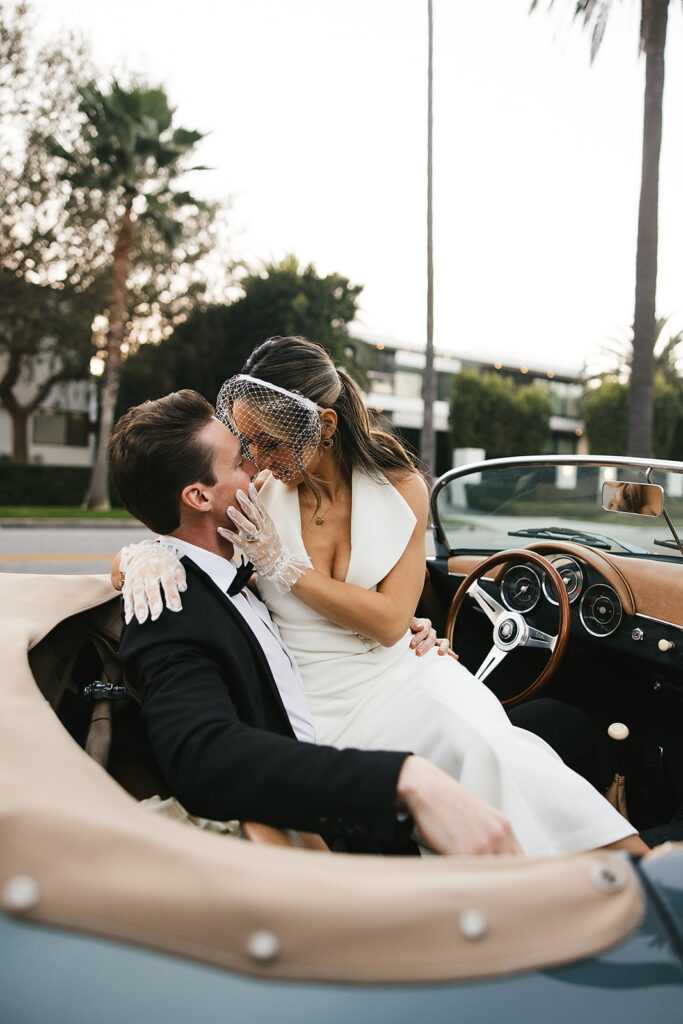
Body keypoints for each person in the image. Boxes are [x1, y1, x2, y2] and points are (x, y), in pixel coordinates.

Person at [119, 337, 646, 857]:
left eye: (271, 443)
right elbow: (190, 540)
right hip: (316, 698)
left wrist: (285, 567)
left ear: (322, 427)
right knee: (470, 761)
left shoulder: (403, 489)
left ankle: (626, 863)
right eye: (247, 443)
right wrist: (140, 556)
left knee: (494, 749)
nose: (256, 459)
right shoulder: (257, 491)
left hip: (402, 666)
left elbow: (394, 621)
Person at [109, 388, 520, 856]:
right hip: (326, 822)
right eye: (241, 460)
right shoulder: (166, 603)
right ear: (199, 495)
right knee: (490, 751)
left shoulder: (230, 568)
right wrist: (398, 781)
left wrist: (405, 623)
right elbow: (203, 758)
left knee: (507, 742)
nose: (257, 470)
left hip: (364, 727)